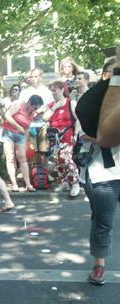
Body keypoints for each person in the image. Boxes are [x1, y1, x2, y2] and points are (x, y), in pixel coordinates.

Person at [75, 66, 120, 285]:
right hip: (103, 173)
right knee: (103, 222)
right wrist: (106, 136)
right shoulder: (91, 103)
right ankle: (99, 266)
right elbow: (83, 134)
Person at [41, 81, 80, 197]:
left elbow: (78, 119)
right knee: (58, 162)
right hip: (54, 138)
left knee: (65, 158)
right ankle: (65, 182)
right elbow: (44, 118)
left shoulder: (70, 102)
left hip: (67, 136)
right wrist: (54, 107)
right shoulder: (51, 105)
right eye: (51, 91)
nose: (53, 93)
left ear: (62, 89)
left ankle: (75, 182)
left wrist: (76, 134)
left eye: (55, 90)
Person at [2, 95, 44, 192]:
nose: (35, 110)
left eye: (37, 108)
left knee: (23, 159)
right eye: (35, 107)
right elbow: (7, 115)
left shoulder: (32, 113)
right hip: (8, 132)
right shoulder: (18, 104)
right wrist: (17, 126)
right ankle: (14, 184)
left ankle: (28, 184)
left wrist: (26, 141)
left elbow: (27, 127)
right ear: (29, 102)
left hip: (21, 136)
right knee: (10, 158)